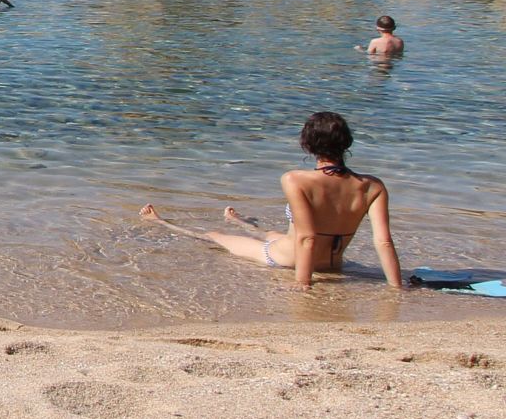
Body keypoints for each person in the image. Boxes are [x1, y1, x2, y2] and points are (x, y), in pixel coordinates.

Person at [141, 111, 401, 290]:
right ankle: (241, 222)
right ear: (347, 143)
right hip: (333, 264)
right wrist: (396, 286)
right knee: (273, 233)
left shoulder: (295, 179)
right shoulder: (372, 186)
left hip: (288, 259)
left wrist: (303, 283)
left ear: (307, 145)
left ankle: (159, 221)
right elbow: (384, 241)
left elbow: (307, 237)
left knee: (215, 236)